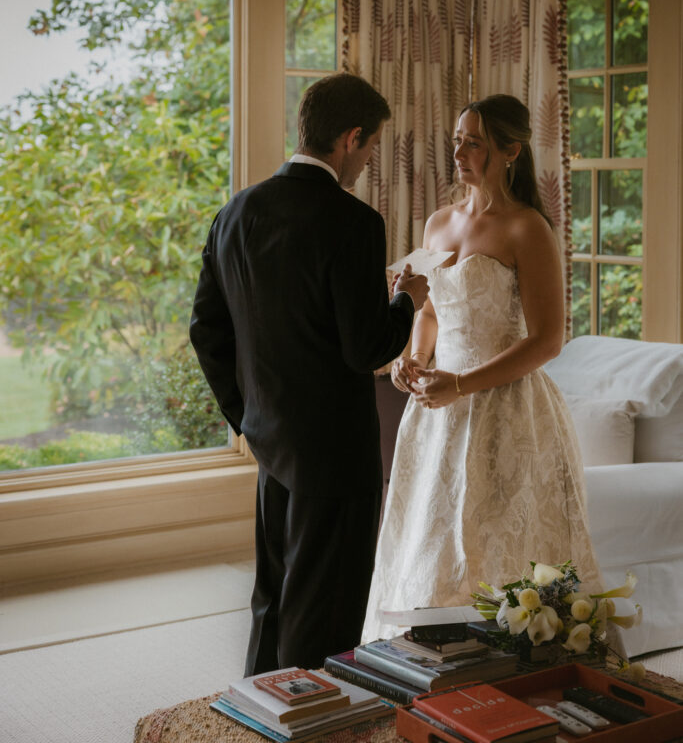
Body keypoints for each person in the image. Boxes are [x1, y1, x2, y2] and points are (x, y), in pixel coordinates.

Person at [189, 72, 429, 675]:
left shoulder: (235, 213)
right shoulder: (353, 222)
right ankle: (312, 720)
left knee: (272, 595)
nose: (369, 160)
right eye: (371, 146)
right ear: (351, 138)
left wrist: (245, 416)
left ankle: (256, 709)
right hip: (336, 452)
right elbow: (366, 347)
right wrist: (406, 302)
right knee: (326, 604)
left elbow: (206, 331)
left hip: (272, 440)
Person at [362, 93, 603, 642]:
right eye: (457, 140)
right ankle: (432, 660)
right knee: (434, 539)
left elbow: (547, 341)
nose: (460, 151)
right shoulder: (438, 224)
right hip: (438, 409)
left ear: (511, 150)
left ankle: (514, 664)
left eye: (475, 141)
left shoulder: (528, 229)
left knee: (503, 545)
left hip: (509, 408)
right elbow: (429, 313)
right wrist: (413, 359)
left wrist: (462, 383)